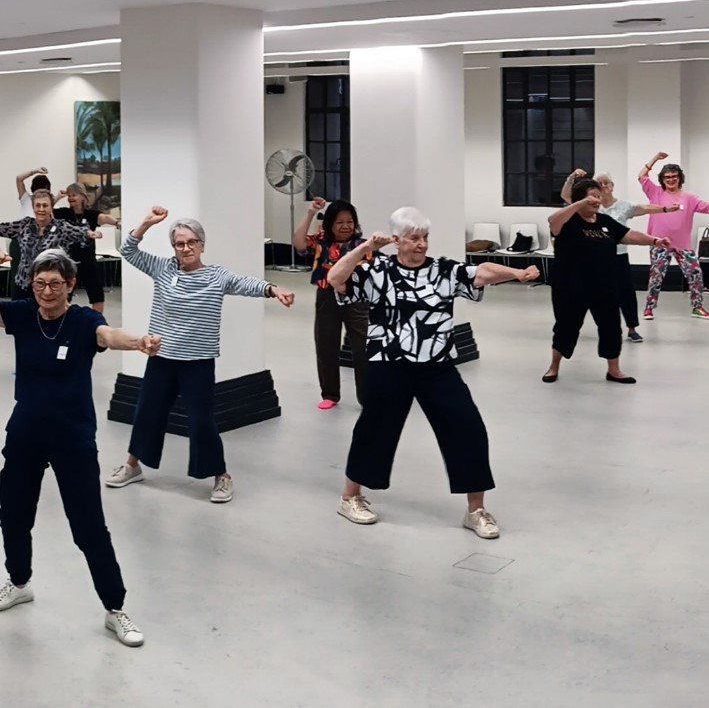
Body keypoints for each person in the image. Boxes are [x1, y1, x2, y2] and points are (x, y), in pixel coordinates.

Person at [0, 246, 159, 648]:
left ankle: (115, 607)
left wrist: (138, 342)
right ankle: (19, 583)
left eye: (55, 284)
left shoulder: (83, 321)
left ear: (70, 285)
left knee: (88, 527)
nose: (46, 292)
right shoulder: (22, 314)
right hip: (25, 431)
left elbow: (108, 336)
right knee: (13, 514)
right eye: (40, 283)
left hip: (72, 436)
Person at [327, 207, 540, 539]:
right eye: (414, 238)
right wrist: (366, 247)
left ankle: (476, 510)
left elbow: (482, 272)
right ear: (396, 240)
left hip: (437, 366)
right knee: (375, 429)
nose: (422, 244)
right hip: (389, 363)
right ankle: (350, 497)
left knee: (467, 428)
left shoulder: (444, 270)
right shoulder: (377, 271)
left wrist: (517, 273)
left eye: (424, 237)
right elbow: (336, 279)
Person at [104, 208, 294, 503]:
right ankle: (132, 465)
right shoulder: (163, 268)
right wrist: (147, 223)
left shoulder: (216, 276)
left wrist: (272, 289)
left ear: (202, 245)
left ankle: (221, 475)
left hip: (198, 362)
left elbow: (246, 284)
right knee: (147, 413)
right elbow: (127, 250)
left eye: (191, 242)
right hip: (162, 357)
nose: (186, 248)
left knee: (201, 421)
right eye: (179, 243)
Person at [543, 179, 670, 384]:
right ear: (580, 199)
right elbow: (552, 221)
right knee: (566, 326)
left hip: (603, 284)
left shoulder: (604, 221)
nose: (597, 200)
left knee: (611, 326)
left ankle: (614, 370)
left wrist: (654, 241)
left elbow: (628, 235)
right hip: (570, 285)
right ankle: (553, 366)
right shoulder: (567, 221)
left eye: (598, 196)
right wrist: (579, 204)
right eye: (592, 197)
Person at [562, 168, 675, 342]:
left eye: (606, 182)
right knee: (586, 292)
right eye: (599, 183)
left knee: (626, 293)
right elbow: (566, 196)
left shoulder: (623, 206)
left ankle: (632, 329)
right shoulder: (589, 204)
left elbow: (645, 208)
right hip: (594, 258)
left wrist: (666, 209)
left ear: (612, 186)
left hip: (618, 256)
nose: (603, 186)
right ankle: (573, 327)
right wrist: (571, 178)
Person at [292, 197, 370, 410]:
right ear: (329, 224)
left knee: (363, 348)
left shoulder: (363, 246)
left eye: (350, 221)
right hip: (327, 297)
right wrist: (310, 212)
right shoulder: (321, 242)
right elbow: (299, 243)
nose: (346, 226)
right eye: (339, 222)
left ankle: (368, 397)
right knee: (326, 345)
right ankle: (330, 394)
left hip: (357, 299)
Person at [0, 191, 97, 300]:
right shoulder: (24, 225)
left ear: (51, 207)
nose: (41, 209)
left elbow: (80, 232)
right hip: (24, 286)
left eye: (45, 206)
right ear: (33, 207)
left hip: (49, 288)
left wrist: (90, 233)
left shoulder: (61, 227)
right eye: (38, 205)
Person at [636, 152, 709, 319]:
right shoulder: (655, 193)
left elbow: (706, 207)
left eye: (674, 176)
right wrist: (655, 158)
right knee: (656, 276)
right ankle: (649, 308)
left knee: (695, 274)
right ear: (662, 179)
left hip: (683, 244)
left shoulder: (690, 198)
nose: (671, 179)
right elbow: (642, 176)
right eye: (667, 177)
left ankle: (697, 307)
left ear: (679, 178)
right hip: (659, 243)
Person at [54, 183, 119, 313]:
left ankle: (96, 321)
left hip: (88, 261)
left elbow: (105, 218)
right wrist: (57, 197)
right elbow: (47, 212)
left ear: (83, 196)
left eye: (74, 195)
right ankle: (63, 320)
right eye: (69, 195)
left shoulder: (91, 214)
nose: (70, 198)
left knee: (97, 295)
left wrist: (117, 223)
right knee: (63, 295)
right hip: (69, 262)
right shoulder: (64, 213)